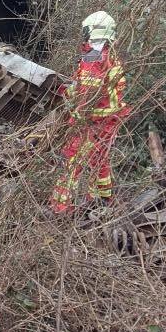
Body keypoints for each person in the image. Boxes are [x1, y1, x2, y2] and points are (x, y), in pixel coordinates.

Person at [50, 11, 129, 215]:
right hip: (108, 120)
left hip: (93, 122)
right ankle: (102, 200)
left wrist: (73, 112)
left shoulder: (94, 59)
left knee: (72, 160)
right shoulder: (110, 57)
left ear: (92, 32)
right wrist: (69, 90)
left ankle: (60, 208)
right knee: (100, 160)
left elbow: (86, 96)